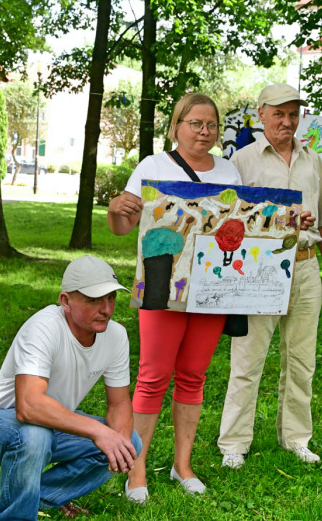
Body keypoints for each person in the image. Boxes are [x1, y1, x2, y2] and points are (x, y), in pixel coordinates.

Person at [106, 92, 242, 503]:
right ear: (176, 127)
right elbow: (122, 227)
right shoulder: (152, 167)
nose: (204, 131)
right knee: (152, 376)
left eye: (211, 124)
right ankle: (137, 468)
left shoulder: (230, 172)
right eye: (195, 123)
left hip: (213, 290)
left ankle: (183, 465)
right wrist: (116, 208)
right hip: (162, 286)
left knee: (194, 376)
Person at [218, 83, 322, 468]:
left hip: (305, 265)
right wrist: (281, 218)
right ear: (261, 114)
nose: (287, 121)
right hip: (260, 267)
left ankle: (296, 438)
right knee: (248, 359)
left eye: (293, 114)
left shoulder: (313, 161)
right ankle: (234, 445)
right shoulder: (242, 161)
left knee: (302, 360)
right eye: (279, 114)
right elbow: (227, 219)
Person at [0, 255, 142, 521]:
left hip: (52, 426)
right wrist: (99, 431)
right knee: (35, 436)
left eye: (111, 298)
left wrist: (119, 439)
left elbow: (119, 403)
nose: (106, 308)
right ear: (65, 301)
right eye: (93, 300)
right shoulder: (43, 327)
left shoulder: (116, 335)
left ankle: (33, 497)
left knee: (131, 443)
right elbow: (29, 406)